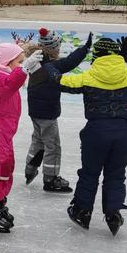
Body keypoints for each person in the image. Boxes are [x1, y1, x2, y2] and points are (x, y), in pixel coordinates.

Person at [44, 37, 127, 236]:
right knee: (116, 173)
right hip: (122, 133)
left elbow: (56, 79)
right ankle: (113, 213)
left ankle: (82, 211)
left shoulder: (87, 77)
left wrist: (47, 64)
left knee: (90, 173)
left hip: (95, 132)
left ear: (95, 55)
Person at [0, 42, 43, 233]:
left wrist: (24, 65)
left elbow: (14, 81)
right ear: (6, 62)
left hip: (4, 132)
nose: (22, 64)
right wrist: (23, 69)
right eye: (19, 61)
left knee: (6, 166)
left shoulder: (5, 75)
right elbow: (8, 86)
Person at [24, 28, 91, 192]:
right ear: (53, 48)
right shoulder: (50, 64)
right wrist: (85, 48)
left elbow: (66, 62)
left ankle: (30, 168)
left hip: (35, 110)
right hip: (47, 112)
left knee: (38, 140)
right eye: (58, 46)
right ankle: (51, 178)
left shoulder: (38, 59)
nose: (59, 49)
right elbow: (69, 62)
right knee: (53, 145)